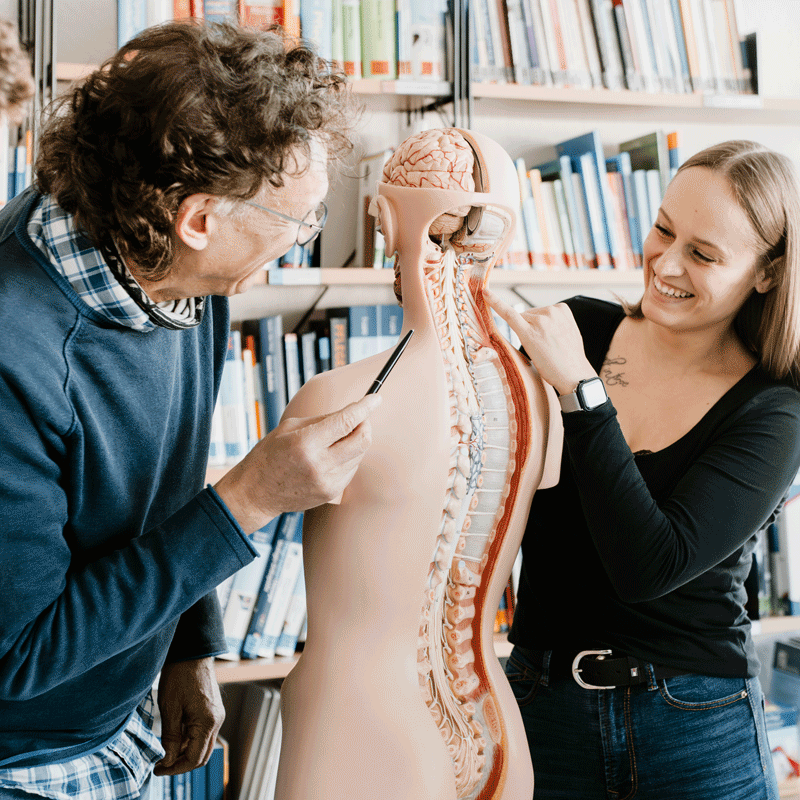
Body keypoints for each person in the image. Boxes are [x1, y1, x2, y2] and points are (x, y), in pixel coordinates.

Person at [0, 20, 380, 800]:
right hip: (28, 760)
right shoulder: (14, 352)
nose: (304, 241)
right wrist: (250, 500)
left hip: (118, 719)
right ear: (200, 220)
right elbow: (19, 657)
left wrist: (189, 645)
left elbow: (165, 477)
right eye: (299, 222)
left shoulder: (177, 270)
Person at [485, 139, 800, 799]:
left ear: (767, 273)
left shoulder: (774, 412)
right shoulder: (579, 329)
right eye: (663, 229)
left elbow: (649, 564)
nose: (666, 263)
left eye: (704, 253)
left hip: (695, 726)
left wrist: (581, 391)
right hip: (542, 706)